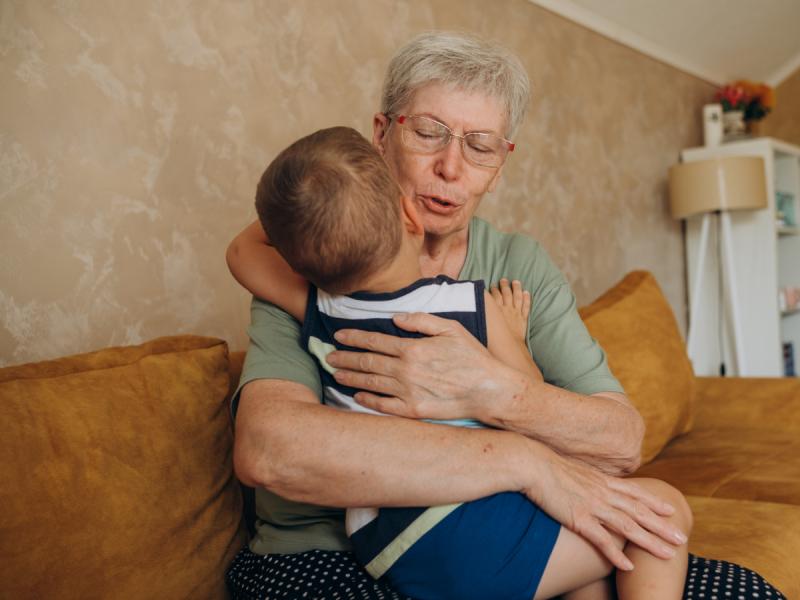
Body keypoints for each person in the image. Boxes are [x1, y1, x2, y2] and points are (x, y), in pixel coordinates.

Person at [226, 31, 692, 600]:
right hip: (321, 559)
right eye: (428, 133)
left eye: (481, 145)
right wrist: (526, 461)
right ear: (380, 136)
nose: (451, 166)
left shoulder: (514, 264)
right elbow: (270, 450)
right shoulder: (316, 269)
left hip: (475, 532)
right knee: (657, 530)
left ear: (499, 166)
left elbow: (620, 444)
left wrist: (491, 392)